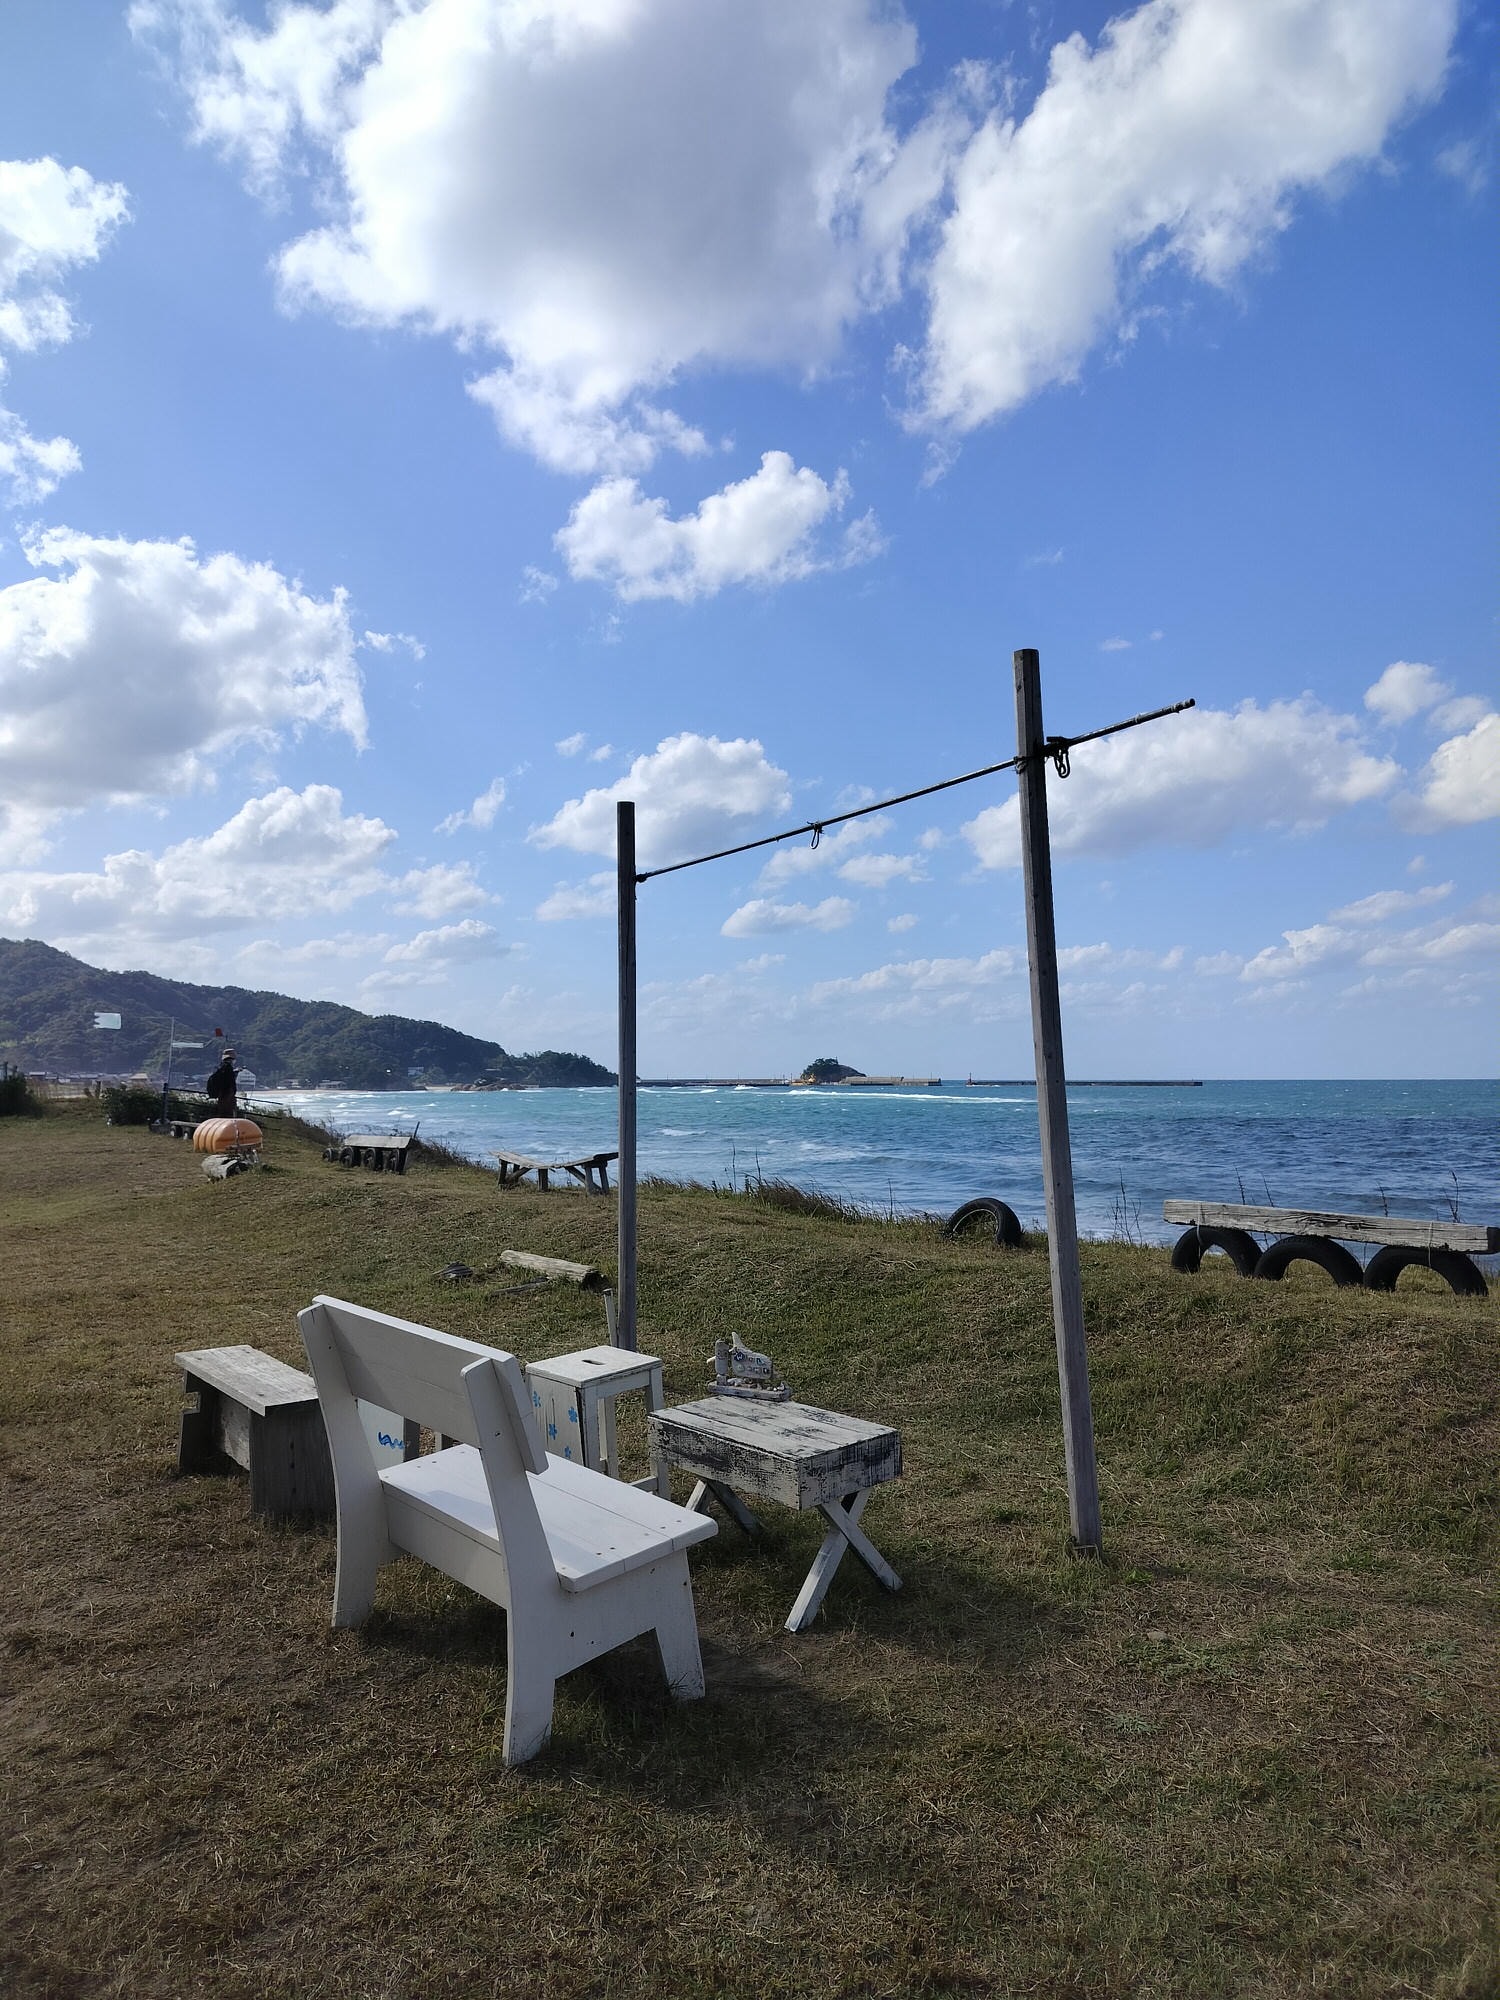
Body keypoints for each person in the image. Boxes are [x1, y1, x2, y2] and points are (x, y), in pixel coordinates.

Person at [205, 1047, 239, 1117]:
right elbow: (230, 1082)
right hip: (227, 1096)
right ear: (232, 1059)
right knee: (228, 1115)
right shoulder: (228, 1068)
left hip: (221, 1095)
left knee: (222, 1114)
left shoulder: (221, 1067)